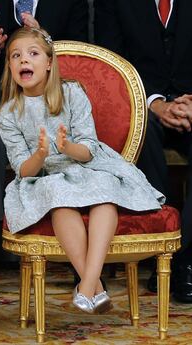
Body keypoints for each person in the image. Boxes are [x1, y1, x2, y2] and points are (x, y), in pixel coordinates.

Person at [0, 27, 165, 313]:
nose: (24, 60)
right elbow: (24, 171)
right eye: (16, 56)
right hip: (46, 176)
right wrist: (40, 154)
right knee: (59, 196)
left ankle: (86, 285)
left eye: (33, 53)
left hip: (84, 164)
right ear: (10, 66)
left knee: (105, 191)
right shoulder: (10, 113)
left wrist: (66, 147)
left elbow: (88, 149)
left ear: (49, 62)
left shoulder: (72, 94)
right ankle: (94, 288)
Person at [0, 0, 89, 297]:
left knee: (63, 137)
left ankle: (80, 256)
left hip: (48, 105)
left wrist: (44, 45)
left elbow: (84, 55)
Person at [94, 0, 192, 303]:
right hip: (142, 104)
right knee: (140, 132)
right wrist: (154, 102)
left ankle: (185, 259)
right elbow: (111, 64)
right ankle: (158, 247)